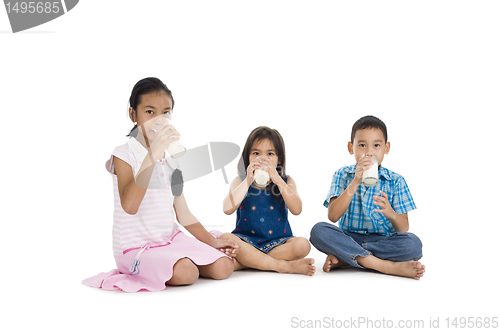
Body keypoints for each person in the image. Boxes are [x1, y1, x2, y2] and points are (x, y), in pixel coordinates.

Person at [82, 77, 238, 292]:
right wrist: (153, 155)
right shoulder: (123, 155)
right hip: (135, 248)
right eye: (150, 112)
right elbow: (130, 205)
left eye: (165, 112)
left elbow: (183, 213)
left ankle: (183, 257)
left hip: (169, 240)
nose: (159, 119)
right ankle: (174, 263)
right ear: (133, 115)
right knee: (187, 272)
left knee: (223, 267)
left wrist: (211, 243)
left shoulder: (171, 160)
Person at [309, 115, 425, 280]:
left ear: (386, 148)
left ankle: (347, 259)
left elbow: (403, 228)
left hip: (383, 241)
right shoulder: (342, 175)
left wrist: (391, 213)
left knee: (414, 244)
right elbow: (332, 216)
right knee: (318, 231)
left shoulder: (396, 180)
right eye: (362, 145)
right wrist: (355, 181)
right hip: (350, 237)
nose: (369, 151)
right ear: (351, 148)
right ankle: (384, 265)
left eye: (376, 145)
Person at [220, 126, 315, 276]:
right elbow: (227, 209)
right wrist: (248, 181)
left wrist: (277, 179)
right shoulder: (240, 181)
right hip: (246, 241)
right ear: (247, 158)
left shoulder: (286, 181)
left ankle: (247, 262)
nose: (262, 159)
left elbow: (297, 210)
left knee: (302, 245)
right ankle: (280, 265)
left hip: (278, 242)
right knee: (224, 237)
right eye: (256, 153)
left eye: (270, 154)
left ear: (279, 159)